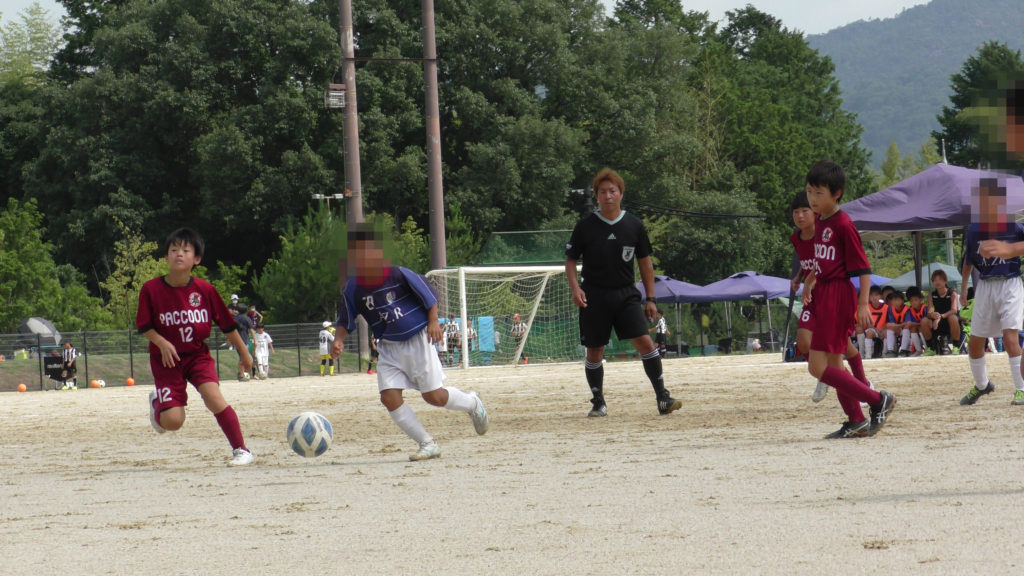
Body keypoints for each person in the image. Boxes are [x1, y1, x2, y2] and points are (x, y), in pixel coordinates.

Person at [331, 224, 488, 461]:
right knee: (388, 397)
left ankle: (472, 403)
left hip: (418, 340)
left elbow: (429, 295)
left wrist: (433, 321)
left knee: (434, 397)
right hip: (388, 347)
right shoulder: (353, 288)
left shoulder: (397, 273)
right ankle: (427, 443)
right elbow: (345, 318)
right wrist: (338, 339)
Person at [565, 168, 681, 418]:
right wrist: (576, 289)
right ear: (597, 195)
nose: (608, 196)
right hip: (594, 296)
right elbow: (570, 260)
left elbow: (645, 263)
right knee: (595, 351)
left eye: (612, 191)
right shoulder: (585, 226)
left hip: (626, 294)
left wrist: (651, 298)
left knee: (645, 342)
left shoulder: (634, 225)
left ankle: (662, 397)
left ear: (620, 193)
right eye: (602, 192)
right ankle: (598, 401)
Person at [136, 228, 255, 466]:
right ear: (166, 257)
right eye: (173, 250)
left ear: (196, 259)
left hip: (197, 356)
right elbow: (144, 326)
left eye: (185, 250)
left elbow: (227, 325)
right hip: (166, 361)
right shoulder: (151, 289)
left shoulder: (205, 290)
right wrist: (161, 342)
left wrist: (245, 353)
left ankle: (241, 449)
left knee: (214, 398)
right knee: (173, 422)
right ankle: (158, 404)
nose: (179, 254)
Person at [801, 160, 895, 438]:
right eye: (809, 192)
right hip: (824, 292)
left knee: (817, 367)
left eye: (819, 193)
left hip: (838, 296)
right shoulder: (820, 221)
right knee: (833, 363)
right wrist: (810, 280)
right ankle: (856, 419)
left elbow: (863, 269)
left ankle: (878, 399)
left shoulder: (843, 224)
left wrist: (863, 303)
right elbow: (822, 261)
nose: (812, 199)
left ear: (837, 194)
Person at [788, 189, 872, 403]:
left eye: (804, 210)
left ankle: (863, 385)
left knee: (845, 347)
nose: (800, 216)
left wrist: (863, 303)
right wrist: (800, 277)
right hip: (812, 298)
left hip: (832, 295)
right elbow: (809, 261)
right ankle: (824, 375)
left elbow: (829, 263)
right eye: (795, 212)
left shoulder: (829, 228)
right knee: (803, 342)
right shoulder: (796, 238)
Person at [959, 177, 1024, 406]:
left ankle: (1021, 388)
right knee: (975, 341)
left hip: (1010, 283)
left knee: (1010, 337)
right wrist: (963, 290)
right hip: (985, 285)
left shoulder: (1013, 227)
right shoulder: (975, 230)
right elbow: (968, 261)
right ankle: (982, 385)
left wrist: (1010, 249)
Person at [925, 269, 960, 354]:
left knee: (953, 318)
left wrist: (941, 316)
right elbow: (929, 313)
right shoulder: (931, 295)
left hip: (949, 320)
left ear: (945, 281)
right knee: (924, 321)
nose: (937, 282)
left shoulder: (952, 294)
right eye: (935, 280)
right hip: (937, 321)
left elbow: (954, 310)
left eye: (940, 280)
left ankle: (956, 346)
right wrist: (933, 315)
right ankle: (931, 348)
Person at [855, 285, 886, 359]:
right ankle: (863, 354)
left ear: (881, 296)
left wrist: (882, 329)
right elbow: (860, 321)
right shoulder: (865, 307)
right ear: (868, 297)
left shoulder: (886, 307)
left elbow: (889, 321)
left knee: (887, 333)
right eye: (871, 295)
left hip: (882, 330)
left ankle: (885, 353)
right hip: (869, 329)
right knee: (867, 331)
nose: (874, 297)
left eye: (876, 295)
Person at [904, 286, 929, 356]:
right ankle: (918, 350)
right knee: (913, 328)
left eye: (916, 300)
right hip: (917, 328)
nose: (914, 302)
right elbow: (908, 323)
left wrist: (914, 324)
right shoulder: (910, 310)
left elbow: (926, 322)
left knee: (920, 328)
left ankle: (927, 349)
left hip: (926, 329)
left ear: (921, 300)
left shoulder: (925, 308)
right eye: (911, 301)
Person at [883, 290, 908, 358]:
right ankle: (891, 350)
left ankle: (903, 350)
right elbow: (891, 323)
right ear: (891, 301)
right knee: (889, 330)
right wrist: (898, 326)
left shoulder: (907, 309)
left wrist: (897, 326)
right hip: (898, 328)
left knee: (906, 330)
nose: (896, 302)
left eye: (898, 300)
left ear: (902, 301)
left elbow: (906, 324)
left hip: (906, 329)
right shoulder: (890, 309)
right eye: (894, 300)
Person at [233, 307, 256, 380]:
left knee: (242, 357)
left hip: (237, 341)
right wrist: (255, 340)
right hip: (245, 341)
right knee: (244, 357)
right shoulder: (247, 318)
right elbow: (251, 330)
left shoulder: (234, 318)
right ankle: (242, 374)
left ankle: (241, 374)